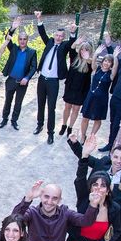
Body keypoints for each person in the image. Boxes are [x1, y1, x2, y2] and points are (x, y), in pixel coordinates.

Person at [33, 11, 77, 144]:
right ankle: (39, 125)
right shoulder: (50, 42)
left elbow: (72, 43)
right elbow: (42, 33)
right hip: (42, 79)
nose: (58, 37)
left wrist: (73, 33)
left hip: (53, 82)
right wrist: (39, 19)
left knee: (51, 107)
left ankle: (50, 133)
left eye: (61, 36)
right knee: (40, 104)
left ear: (63, 37)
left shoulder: (64, 46)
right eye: (57, 35)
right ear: (54, 36)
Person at [0, 17, 37, 130]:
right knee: (8, 101)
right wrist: (12, 28)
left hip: (22, 82)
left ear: (27, 40)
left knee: (18, 103)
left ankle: (14, 121)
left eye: (24, 39)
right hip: (11, 80)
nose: (22, 41)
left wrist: (27, 78)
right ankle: (4, 119)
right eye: (20, 39)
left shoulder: (32, 52)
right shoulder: (14, 48)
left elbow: (34, 67)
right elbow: (7, 38)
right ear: (18, 40)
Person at [79, 45, 120, 140]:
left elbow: (115, 67)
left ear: (111, 64)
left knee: (97, 120)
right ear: (102, 61)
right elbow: (93, 62)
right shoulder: (96, 70)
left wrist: (115, 57)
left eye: (109, 62)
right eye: (105, 60)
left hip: (101, 99)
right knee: (85, 118)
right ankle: (83, 136)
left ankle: (91, 136)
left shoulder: (111, 74)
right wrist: (96, 53)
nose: (106, 63)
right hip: (90, 97)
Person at [59, 37, 93, 137]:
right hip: (70, 87)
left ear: (90, 51)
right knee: (67, 107)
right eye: (82, 49)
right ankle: (64, 125)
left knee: (75, 110)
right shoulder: (75, 58)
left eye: (86, 49)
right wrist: (76, 43)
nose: (83, 51)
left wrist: (88, 58)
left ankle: (70, 127)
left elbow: (94, 66)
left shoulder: (90, 62)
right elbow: (72, 49)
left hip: (81, 90)